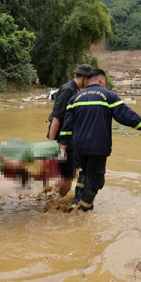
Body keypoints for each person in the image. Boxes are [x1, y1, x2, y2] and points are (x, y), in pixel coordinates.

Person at [59, 68, 141, 211]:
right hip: (98, 147)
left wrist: (62, 148)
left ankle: (74, 202)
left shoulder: (75, 98)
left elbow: (67, 126)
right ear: (101, 80)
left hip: (79, 147)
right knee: (95, 180)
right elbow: (127, 116)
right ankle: (83, 212)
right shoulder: (108, 96)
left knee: (85, 171)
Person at [47, 64, 92, 198]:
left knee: (65, 173)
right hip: (63, 140)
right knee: (68, 176)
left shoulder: (77, 90)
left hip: (70, 140)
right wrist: (50, 145)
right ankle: (59, 201)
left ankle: (55, 196)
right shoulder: (68, 90)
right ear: (84, 77)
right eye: (89, 80)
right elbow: (56, 118)